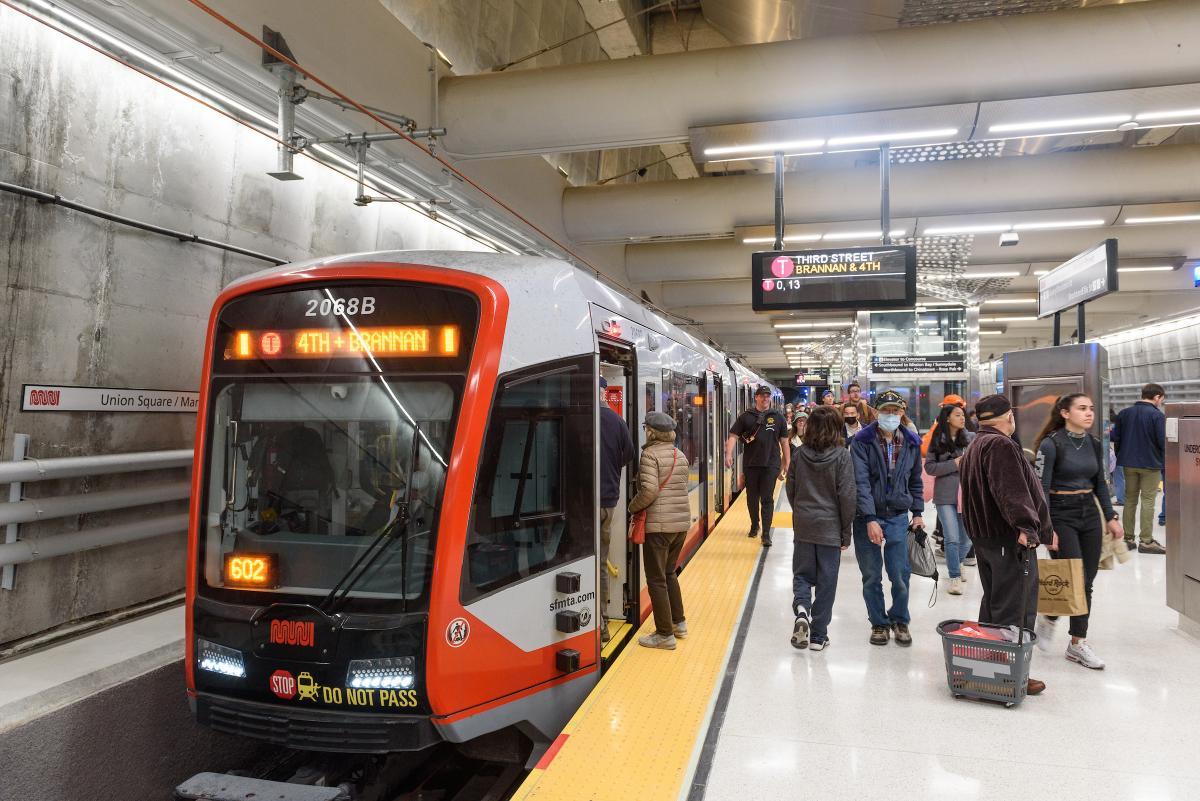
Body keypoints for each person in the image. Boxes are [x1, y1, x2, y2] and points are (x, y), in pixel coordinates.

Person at [959, 394, 1051, 696]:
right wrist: (1027, 526)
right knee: (1015, 608)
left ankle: (990, 670)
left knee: (996, 604)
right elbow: (1011, 491)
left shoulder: (976, 444)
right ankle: (1009, 675)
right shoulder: (1000, 445)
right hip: (1006, 539)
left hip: (986, 540)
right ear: (1008, 417)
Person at [1032, 394, 1124, 670]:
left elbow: (1101, 484)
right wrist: (1047, 529)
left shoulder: (1094, 444)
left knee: (1088, 579)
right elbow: (1041, 489)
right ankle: (1073, 638)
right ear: (1064, 413)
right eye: (1082, 408)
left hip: (1089, 513)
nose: (1089, 413)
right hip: (1061, 513)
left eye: (1091, 408)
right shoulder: (1051, 445)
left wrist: (1110, 516)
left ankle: (1065, 632)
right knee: (1075, 578)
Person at [849, 390, 925, 647]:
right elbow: (860, 483)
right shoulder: (861, 441)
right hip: (866, 517)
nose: (890, 415)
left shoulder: (913, 442)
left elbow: (915, 481)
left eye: (895, 411)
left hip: (897, 517)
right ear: (876, 412)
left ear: (902, 412)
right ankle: (879, 623)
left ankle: (900, 619)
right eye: (885, 411)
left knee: (900, 574)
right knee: (871, 575)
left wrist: (917, 513)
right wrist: (870, 518)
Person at [786, 407, 856, 652]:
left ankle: (802, 610)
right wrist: (846, 531)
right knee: (827, 581)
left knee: (802, 574)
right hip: (830, 527)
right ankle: (818, 635)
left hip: (804, 525)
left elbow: (790, 490)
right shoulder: (842, 456)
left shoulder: (799, 454)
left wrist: (800, 513)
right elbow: (847, 496)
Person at [628, 412, 690, 650]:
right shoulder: (680, 454)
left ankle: (664, 634)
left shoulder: (649, 455)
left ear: (652, 432)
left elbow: (650, 491)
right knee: (669, 573)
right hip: (680, 525)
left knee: (655, 578)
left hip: (659, 527)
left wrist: (632, 507)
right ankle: (679, 623)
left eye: (646, 428)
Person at [726, 386, 789, 547]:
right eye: (762, 396)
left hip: (771, 464)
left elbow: (784, 442)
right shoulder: (746, 417)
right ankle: (755, 525)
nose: (765, 398)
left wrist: (786, 463)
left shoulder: (778, 417)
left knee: (767, 498)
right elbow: (733, 436)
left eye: (767, 396)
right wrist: (728, 455)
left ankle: (766, 533)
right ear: (756, 398)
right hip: (751, 464)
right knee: (752, 498)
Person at [598, 377, 635, 644]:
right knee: (600, 561)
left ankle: (594, 622)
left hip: (578, 502)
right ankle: (601, 623)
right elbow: (629, 455)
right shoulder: (617, 421)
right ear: (604, 393)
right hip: (607, 499)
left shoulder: (577, 416)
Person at [924, 404, 975, 595]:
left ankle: (959, 561)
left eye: (963, 415)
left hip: (968, 494)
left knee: (968, 538)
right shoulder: (937, 440)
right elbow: (930, 468)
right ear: (947, 418)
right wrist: (953, 464)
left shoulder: (970, 438)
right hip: (945, 496)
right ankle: (954, 577)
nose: (962, 418)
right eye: (958, 415)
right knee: (952, 538)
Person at [1112, 383, 1167, 554]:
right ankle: (1146, 541)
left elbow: (1116, 438)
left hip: (1128, 463)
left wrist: (1122, 456)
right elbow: (1162, 442)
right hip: (1150, 464)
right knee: (1148, 501)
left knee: (1130, 500)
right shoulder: (1157, 416)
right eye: (1161, 400)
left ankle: (1128, 539)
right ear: (1157, 397)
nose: (1161, 403)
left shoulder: (1124, 413)